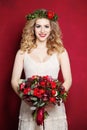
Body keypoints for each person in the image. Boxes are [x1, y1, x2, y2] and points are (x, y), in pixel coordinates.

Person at [11, 9, 72, 130]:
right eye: (38, 26)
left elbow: (68, 80)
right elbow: (14, 81)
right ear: (33, 28)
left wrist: (54, 99)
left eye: (46, 26)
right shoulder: (22, 53)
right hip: (29, 108)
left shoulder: (61, 52)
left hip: (54, 108)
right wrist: (28, 100)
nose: (42, 31)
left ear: (51, 29)